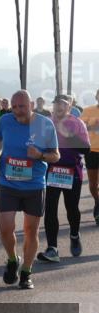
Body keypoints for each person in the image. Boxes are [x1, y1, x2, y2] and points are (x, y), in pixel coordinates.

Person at [0, 90, 60, 290]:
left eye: (22, 106)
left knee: (31, 230)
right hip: (8, 183)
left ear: (30, 105)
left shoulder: (45, 125)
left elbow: (55, 155)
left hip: (34, 185)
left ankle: (27, 272)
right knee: (5, 228)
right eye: (14, 107)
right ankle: (13, 259)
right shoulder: (5, 121)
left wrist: (39, 155)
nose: (18, 111)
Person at [39, 94, 90, 262]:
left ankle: (74, 234)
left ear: (69, 107)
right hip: (52, 171)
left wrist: (70, 135)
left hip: (71, 172)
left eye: (63, 105)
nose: (59, 108)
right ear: (52, 106)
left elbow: (86, 149)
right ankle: (52, 248)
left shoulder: (77, 123)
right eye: (56, 104)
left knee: (72, 208)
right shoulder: (46, 123)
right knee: (50, 209)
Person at [82, 89, 99, 226]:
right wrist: (92, 126)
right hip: (91, 151)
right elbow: (81, 129)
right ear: (96, 96)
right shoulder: (87, 111)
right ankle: (97, 201)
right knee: (93, 185)